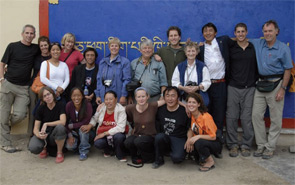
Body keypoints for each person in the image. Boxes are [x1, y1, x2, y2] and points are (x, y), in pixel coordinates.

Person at [250, 20, 292, 159]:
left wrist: (283, 89)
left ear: (276, 32)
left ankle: (270, 147)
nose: (267, 34)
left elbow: (288, 69)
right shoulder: (258, 44)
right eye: (265, 31)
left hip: (277, 85)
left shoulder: (283, 48)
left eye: (270, 31)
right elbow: (240, 40)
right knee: (256, 115)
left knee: (275, 118)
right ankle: (261, 145)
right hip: (260, 84)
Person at [0, 24, 40, 153]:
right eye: (27, 33)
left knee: (21, 114)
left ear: (34, 35)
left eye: (32, 33)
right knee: (4, 115)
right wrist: (1, 79)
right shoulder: (12, 46)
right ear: (22, 34)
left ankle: (2, 126)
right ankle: (5, 143)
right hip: (9, 85)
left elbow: (48, 51)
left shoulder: (35, 49)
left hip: (23, 88)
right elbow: (2, 63)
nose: (29, 35)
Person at [226, 23, 258, 157]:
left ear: (246, 32)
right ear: (235, 33)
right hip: (233, 86)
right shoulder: (231, 47)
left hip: (250, 87)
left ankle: (246, 145)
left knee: (246, 118)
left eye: (243, 31)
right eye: (238, 32)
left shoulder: (253, 47)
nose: (240, 34)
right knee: (231, 117)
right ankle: (232, 145)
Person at [197, 22, 230, 131]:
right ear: (203, 34)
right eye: (205, 31)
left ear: (215, 33)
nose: (208, 33)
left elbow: (240, 42)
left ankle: (218, 138)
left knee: (219, 112)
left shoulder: (223, 41)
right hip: (206, 85)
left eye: (210, 30)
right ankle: (206, 135)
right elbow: (188, 52)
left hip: (220, 84)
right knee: (206, 111)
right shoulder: (200, 48)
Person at [124, 87, 165, 167]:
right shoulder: (131, 107)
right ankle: (136, 157)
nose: (141, 99)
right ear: (135, 98)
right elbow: (117, 108)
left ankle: (150, 157)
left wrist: (184, 105)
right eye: (138, 97)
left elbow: (167, 101)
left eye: (143, 96)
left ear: (147, 96)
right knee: (128, 142)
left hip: (150, 136)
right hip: (137, 134)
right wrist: (103, 105)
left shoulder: (152, 105)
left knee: (139, 141)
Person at [153, 86, 190, 169]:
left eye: (173, 96)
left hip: (179, 137)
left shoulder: (184, 111)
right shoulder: (160, 109)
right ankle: (159, 160)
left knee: (177, 158)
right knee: (159, 137)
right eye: (167, 95)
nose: (170, 99)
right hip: (165, 136)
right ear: (164, 98)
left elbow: (189, 127)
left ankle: (175, 151)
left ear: (178, 97)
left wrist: (189, 139)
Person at [28, 86, 67, 163]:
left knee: (60, 128)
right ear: (42, 99)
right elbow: (36, 128)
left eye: (48, 94)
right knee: (33, 147)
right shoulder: (40, 108)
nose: (47, 97)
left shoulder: (60, 105)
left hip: (54, 135)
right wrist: (39, 135)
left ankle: (59, 152)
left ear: (52, 94)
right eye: (44, 96)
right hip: (44, 135)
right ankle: (44, 148)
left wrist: (46, 124)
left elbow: (63, 122)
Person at [185, 93, 222, 172]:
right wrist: (189, 139)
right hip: (202, 140)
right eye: (189, 102)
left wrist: (197, 137)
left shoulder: (205, 117)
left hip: (214, 142)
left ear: (198, 104)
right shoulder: (192, 115)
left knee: (198, 142)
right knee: (189, 148)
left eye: (194, 102)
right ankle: (201, 156)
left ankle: (210, 161)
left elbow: (213, 137)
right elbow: (191, 129)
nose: (191, 104)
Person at [90, 90, 128, 162]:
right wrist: (90, 125)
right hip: (104, 134)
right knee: (98, 143)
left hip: (115, 133)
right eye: (106, 99)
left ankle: (119, 153)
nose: (108, 101)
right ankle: (109, 150)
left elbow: (121, 127)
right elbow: (94, 119)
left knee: (119, 137)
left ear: (116, 99)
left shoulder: (121, 109)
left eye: (111, 99)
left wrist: (104, 133)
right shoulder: (101, 108)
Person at [172, 40, 211, 106]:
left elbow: (207, 82)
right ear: (185, 53)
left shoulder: (202, 66)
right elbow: (174, 82)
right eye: (189, 51)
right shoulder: (179, 66)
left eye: (193, 51)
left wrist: (197, 87)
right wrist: (183, 88)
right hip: (184, 99)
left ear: (197, 52)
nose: (191, 53)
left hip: (198, 99)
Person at [95, 37, 131, 105]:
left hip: (118, 97)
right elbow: (99, 80)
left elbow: (127, 80)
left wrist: (123, 95)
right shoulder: (103, 62)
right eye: (112, 46)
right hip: (104, 98)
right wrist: (98, 95)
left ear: (119, 47)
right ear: (109, 47)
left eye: (116, 46)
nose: (114, 48)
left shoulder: (124, 62)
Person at [28, 36, 51, 135]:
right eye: (41, 46)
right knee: (34, 109)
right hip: (35, 86)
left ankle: (44, 131)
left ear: (48, 45)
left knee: (45, 108)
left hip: (48, 87)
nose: (44, 47)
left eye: (45, 45)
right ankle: (32, 133)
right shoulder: (36, 57)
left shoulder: (53, 57)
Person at [65, 87, 94, 161]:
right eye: (74, 96)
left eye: (78, 95)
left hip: (87, 131)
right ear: (71, 97)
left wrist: (73, 125)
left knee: (83, 128)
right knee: (69, 147)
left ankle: (84, 151)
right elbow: (65, 121)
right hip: (74, 132)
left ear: (82, 96)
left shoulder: (87, 105)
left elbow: (86, 121)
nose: (76, 98)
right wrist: (70, 135)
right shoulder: (69, 105)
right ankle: (77, 147)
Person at [70, 47, 98, 113]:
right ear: (84, 57)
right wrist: (82, 96)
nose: (90, 57)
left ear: (95, 57)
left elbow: (101, 85)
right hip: (79, 99)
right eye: (87, 55)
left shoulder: (100, 70)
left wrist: (93, 94)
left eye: (92, 55)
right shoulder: (77, 69)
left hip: (94, 100)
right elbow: (73, 85)